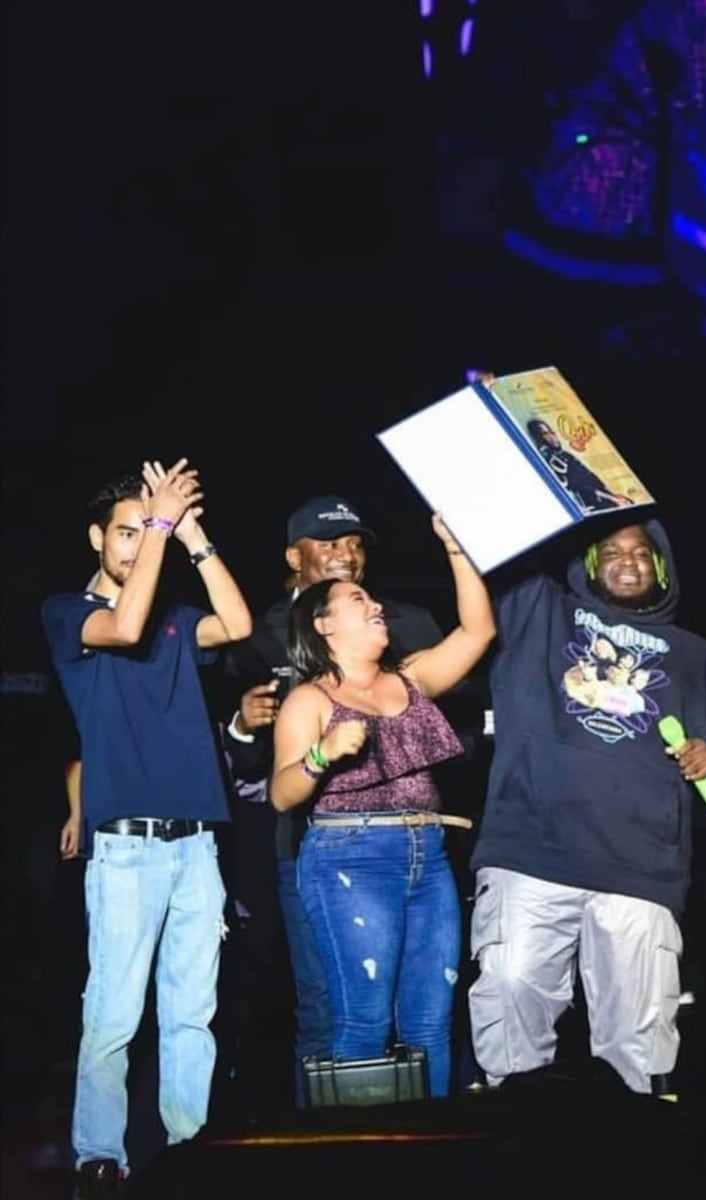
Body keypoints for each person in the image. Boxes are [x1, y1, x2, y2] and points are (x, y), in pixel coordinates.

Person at [467, 520, 706, 1095]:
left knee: (639, 1041)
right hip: (530, 852)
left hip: (640, 869)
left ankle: (640, 1158)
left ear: (663, 568)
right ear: (590, 561)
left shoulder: (694, 655)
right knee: (511, 994)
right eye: (613, 552)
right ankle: (512, 1147)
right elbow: (499, 546)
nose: (628, 562)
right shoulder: (538, 608)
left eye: (643, 554)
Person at [41, 459, 253, 1198]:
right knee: (113, 1015)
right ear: (98, 536)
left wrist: (191, 534)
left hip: (197, 842)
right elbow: (123, 623)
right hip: (126, 849)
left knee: (193, 1014)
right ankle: (98, 1153)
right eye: (125, 531)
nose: (136, 543)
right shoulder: (69, 613)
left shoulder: (175, 617)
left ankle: (189, 1146)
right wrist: (162, 520)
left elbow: (240, 623)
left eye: (144, 529)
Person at [219, 495, 454, 1108]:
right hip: (308, 845)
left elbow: (450, 692)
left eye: (356, 544)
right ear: (294, 556)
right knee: (329, 1010)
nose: (347, 556)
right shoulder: (254, 633)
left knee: (426, 1012)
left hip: (411, 839)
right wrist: (243, 725)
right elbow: (247, 766)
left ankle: (426, 1151)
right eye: (330, 545)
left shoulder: (401, 623)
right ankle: (325, 1151)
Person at [269, 513, 494, 1099]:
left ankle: (431, 1164)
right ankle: (357, 1162)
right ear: (322, 625)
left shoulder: (411, 678)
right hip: (352, 860)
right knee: (363, 1022)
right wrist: (320, 756)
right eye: (357, 600)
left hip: (430, 857)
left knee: (430, 1025)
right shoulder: (309, 700)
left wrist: (456, 549)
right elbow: (281, 792)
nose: (375, 607)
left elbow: (478, 632)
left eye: (371, 598)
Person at [526, 418, 633, 512]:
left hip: (603, 497)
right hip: (591, 505)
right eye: (545, 434)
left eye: (552, 432)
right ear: (538, 439)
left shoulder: (566, 455)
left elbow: (590, 476)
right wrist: (613, 499)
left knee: (629, 503)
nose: (552, 436)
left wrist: (614, 495)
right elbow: (580, 487)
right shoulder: (551, 459)